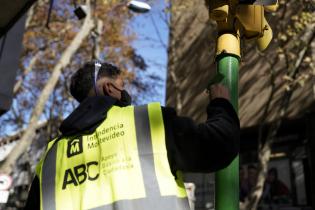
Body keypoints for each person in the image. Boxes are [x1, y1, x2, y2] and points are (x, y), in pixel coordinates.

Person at [24, 61, 240, 210]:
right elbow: (219, 145)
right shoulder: (147, 123)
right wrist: (220, 103)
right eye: (122, 86)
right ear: (109, 88)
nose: (125, 92)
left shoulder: (52, 156)